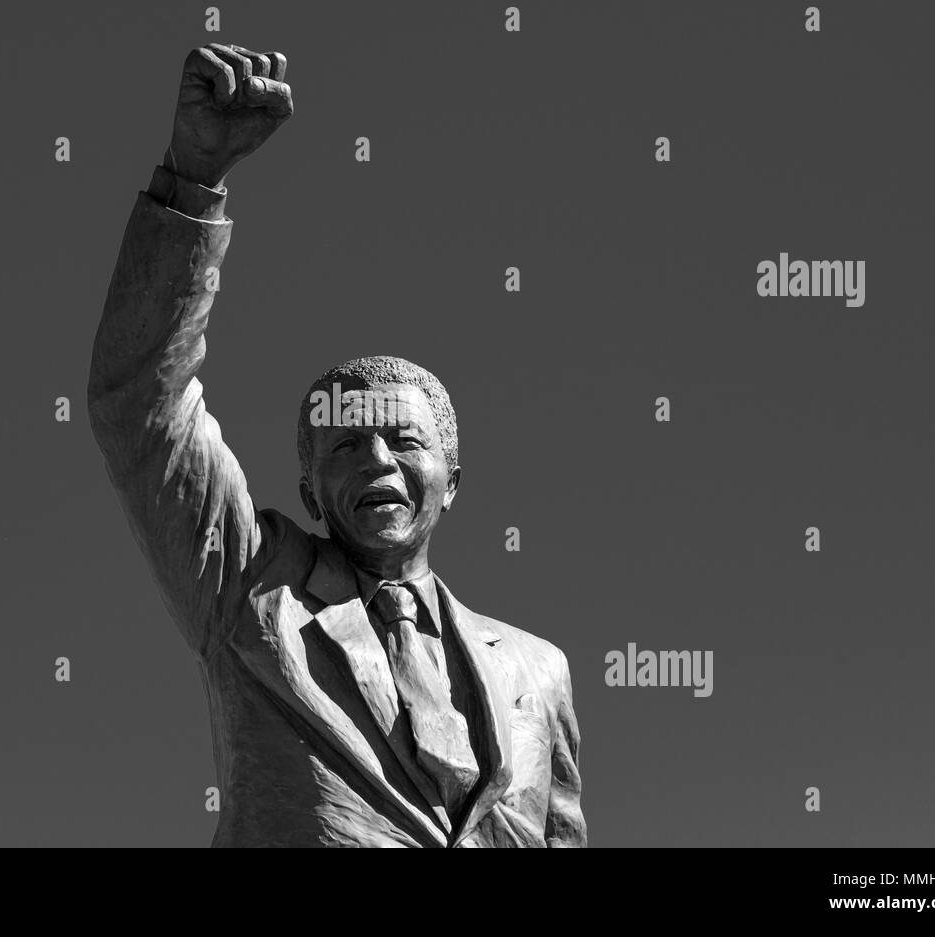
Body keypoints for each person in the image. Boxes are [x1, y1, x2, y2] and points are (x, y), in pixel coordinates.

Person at [87, 43, 586, 848]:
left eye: (403, 440)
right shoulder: (247, 586)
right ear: (313, 490)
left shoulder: (537, 669)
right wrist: (193, 177)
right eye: (347, 445)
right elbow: (138, 401)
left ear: (452, 481)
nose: (379, 461)